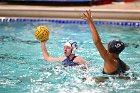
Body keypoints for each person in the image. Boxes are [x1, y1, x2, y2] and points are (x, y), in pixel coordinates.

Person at [82, 10, 130, 75]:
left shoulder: (108, 58)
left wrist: (90, 22)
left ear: (108, 49)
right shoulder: (123, 65)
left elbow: (97, 42)